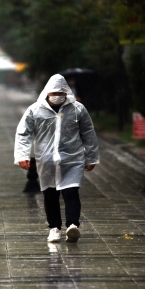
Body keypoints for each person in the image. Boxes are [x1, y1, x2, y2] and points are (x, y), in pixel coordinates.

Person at [14, 74, 99, 243]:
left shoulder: (77, 109)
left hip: (72, 158)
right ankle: (54, 228)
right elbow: (23, 133)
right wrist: (22, 155)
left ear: (66, 92)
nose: (57, 95)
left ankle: (73, 226)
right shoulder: (35, 110)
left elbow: (88, 133)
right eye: (54, 92)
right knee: (50, 195)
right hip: (46, 160)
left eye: (61, 92)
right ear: (47, 93)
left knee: (71, 191)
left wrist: (91, 157)